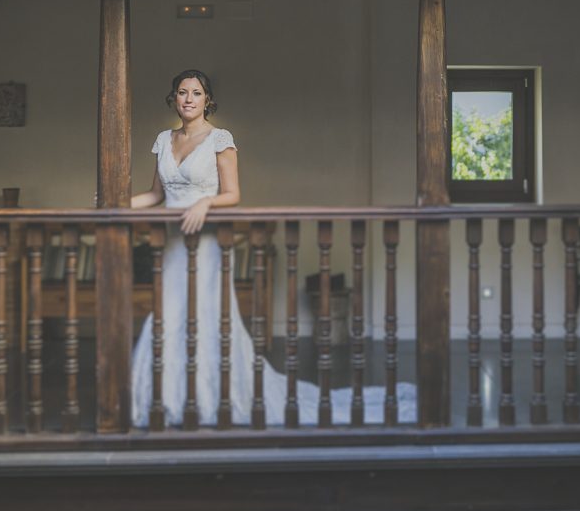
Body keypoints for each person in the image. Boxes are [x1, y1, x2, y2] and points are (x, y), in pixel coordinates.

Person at [130, 69, 415, 427]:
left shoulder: (220, 139)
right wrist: (116, 202)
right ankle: (163, 398)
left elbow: (233, 195)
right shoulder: (163, 139)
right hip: (171, 245)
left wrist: (205, 203)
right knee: (166, 315)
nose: (189, 98)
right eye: (183, 92)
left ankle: (213, 398)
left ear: (207, 101)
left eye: (197, 93)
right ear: (174, 98)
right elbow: (155, 195)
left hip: (206, 246)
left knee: (205, 315)